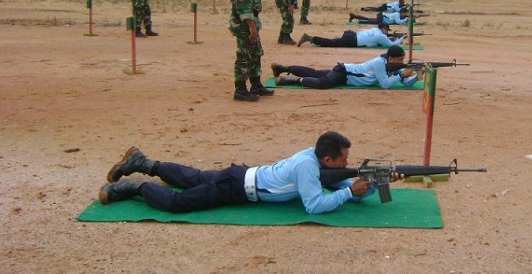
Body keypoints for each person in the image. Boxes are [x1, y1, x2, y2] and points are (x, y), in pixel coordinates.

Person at [98, 131, 404, 215]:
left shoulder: (315, 162)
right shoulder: (307, 167)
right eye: (343, 160)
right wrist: (349, 191)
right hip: (237, 188)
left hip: (242, 176)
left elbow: (351, 186)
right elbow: (314, 206)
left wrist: (377, 182)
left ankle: (142, 162)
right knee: (180, 203)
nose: (345, 164)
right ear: (328, 158)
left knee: (192, 177)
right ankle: (136, 188)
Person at [228, 0, 274, 102]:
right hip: (244, 24)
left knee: (255, 54)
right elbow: (243, 4)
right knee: (244, 56)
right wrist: (251, 26)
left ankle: (256, 84)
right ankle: (240, 89)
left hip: (250, 21)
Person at [271, 45, 418, 89]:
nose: (401, 62)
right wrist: (402, 74)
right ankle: (291, 81)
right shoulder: (380, 62)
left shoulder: (392, 65)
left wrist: (417, 74)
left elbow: (407, 84)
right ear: (391, 58)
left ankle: (283, 68)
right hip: (345, 73)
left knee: (315, 73)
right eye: (399, 59)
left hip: (345, 77)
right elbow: (385, 85)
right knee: (324, 83)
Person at [297, 22, 408, 48]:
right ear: (383, 29)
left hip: (351, 35)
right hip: (352, 40)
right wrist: (402, 38)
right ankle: (310, 38)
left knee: (332, 42)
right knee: (330, 43)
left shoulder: (376, 30)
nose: (387, 32)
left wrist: (390, 37)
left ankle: (312, 39)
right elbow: (391, 46)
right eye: (387, 30)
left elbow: (376, 39)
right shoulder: (381, 36)